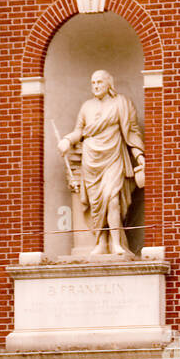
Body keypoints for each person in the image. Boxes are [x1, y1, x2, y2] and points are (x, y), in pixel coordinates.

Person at [57, 69, 146, 258]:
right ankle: (101, 241)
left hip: (113, 157)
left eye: (99, 82)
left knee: (112, 199)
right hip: (91, 160)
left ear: (108, 84)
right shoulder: (86, 107)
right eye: (93, 83)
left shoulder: (121, 103)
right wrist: (66, 140)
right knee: (97, 204)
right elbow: (79, 131)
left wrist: (139, 157)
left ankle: (116, 243)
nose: (96, 86)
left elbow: (132, 132)